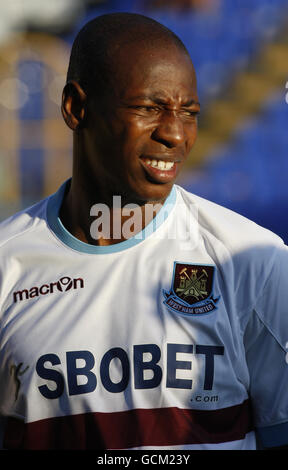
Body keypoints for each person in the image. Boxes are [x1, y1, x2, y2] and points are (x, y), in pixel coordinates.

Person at [0, 12, 288, 451]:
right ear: (76, 108)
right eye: (149, 108)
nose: (175, 133)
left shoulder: (252, 260)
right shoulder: (7, 265)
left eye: (188, 112)